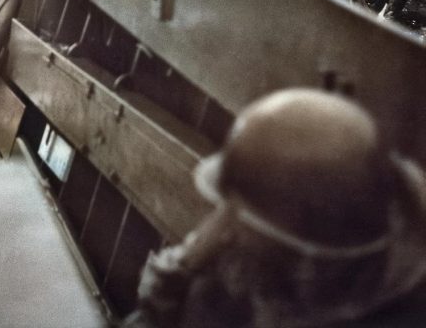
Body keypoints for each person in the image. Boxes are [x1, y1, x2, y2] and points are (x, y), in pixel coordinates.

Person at [126, 88, 426, 328]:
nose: (221, 229)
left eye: (237, 214)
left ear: (299, 249)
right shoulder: (247, 274)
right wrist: (179, 274)